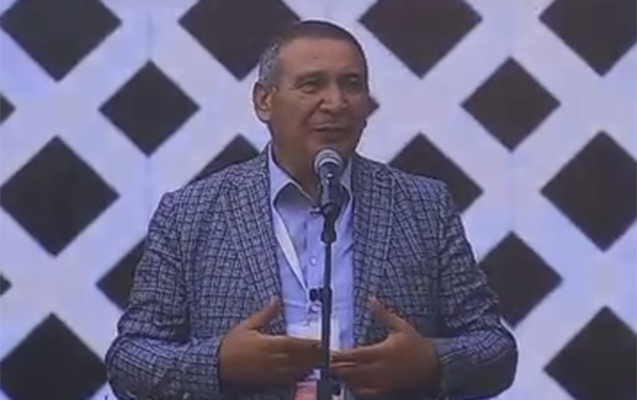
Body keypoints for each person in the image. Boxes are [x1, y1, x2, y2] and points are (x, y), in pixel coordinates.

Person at [105, 19, 517, 400]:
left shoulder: (424, 206)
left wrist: (430, 362)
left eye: (352, 85)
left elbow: (495, 348)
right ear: (264, 101)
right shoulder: (189, 214)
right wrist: (217, 365)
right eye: (311, 85)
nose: (335, 102)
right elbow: (129, 360)